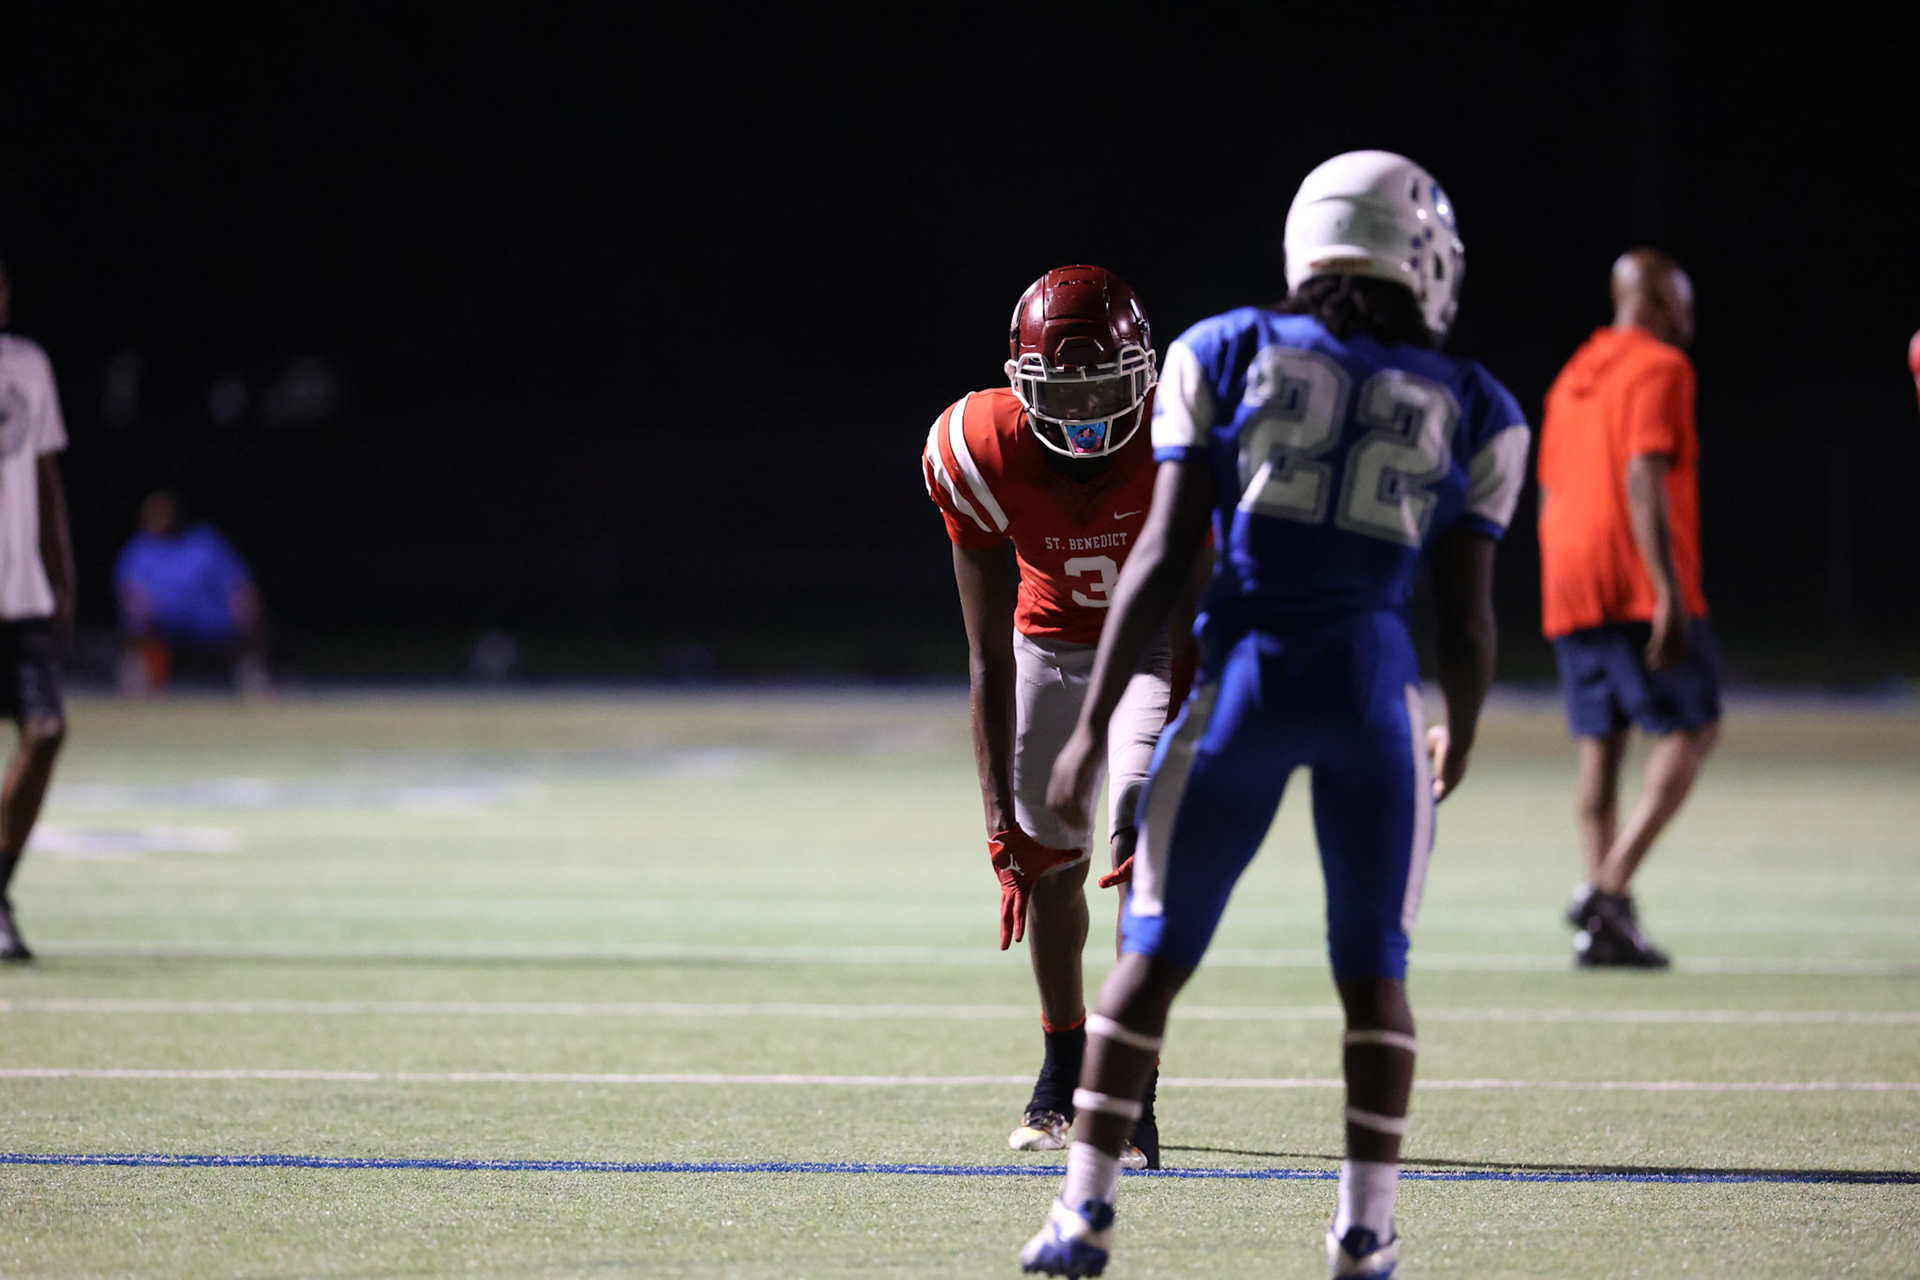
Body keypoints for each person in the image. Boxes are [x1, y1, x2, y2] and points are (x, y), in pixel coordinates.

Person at [1018, 151, 1530, 1279]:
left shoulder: (1226, 346)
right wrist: (1468, 726)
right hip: (1372, 688)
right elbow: (1473, 621)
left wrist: (1096, 717)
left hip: (1242, 681)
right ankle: (1363, 1231)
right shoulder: (1481, 403)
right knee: (1372, 972)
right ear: (1421, 258)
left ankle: (1082, 1213)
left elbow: (1161, 558)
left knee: (1149, 959)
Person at [921, 265, 1200, 1171]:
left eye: (1103, 384)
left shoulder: (1180, 434)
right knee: (1048, 871)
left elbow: (1192, 616)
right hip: (1047, 652)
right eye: (1065, 387)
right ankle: (1060, 1066)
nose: (1085, 409)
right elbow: (986, 652)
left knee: (1139, 860)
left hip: (1156, 646)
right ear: (1020, 383)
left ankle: (1133, 1094)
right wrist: (997, 811)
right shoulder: (977, 446)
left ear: (1143, 377)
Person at [1537, 249, 1717, 970]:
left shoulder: (1573, 375)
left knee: (1600, 744)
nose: (1690, 319)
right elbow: (1642, 472)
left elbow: (1550, 489)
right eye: (1683, 302)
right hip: (1631, 573)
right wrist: (1667, 590)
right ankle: (1607, 889)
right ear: (1658, 301)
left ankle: (1604, 931)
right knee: (1694, 727)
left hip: (1569, 573)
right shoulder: (1661, 368)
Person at [0, 254, 76, 962]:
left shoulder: (28, 364)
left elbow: (45, 478)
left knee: (46, 731)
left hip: (20, 595)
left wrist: (63, 578)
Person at [113, 490, 268, 694]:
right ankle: (138, 686)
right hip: (162, 620)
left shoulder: (204, 543)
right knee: (135, 622)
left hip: (208, 619)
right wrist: (140, 607)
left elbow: (238, 583)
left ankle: (254, 682)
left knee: (249, 616)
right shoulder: (140, 549)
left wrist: (246, 606)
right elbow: (129, 589)